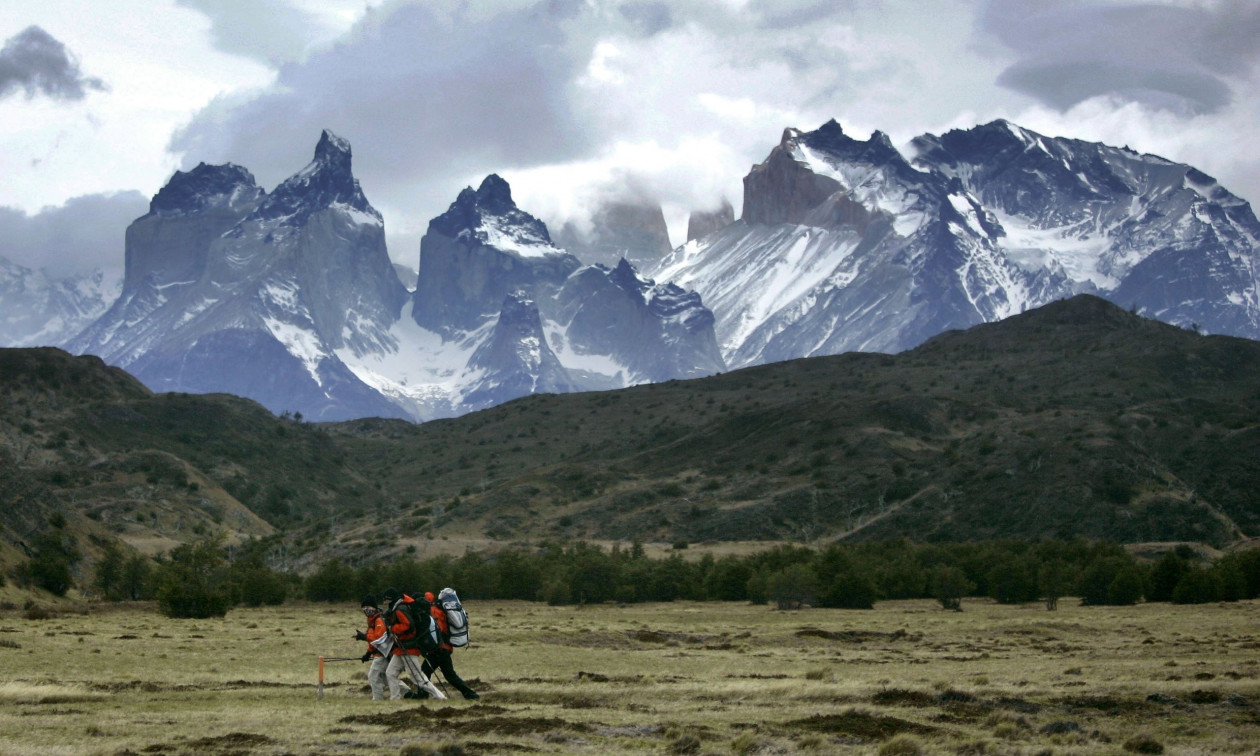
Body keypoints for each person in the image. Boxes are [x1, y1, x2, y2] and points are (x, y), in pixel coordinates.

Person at [381, 587, 444, 700]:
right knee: (390, 673)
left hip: (408, 647)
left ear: (390, 600)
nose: (384, 603)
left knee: (417, 677)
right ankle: (395, 698)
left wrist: (393, 627)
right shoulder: (400, 607)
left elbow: (408, 625)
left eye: (385, 600)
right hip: (402, 648)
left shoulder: (400, 609)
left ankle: (439, 697)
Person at [422, 590, 479, 699]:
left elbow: (439, 630)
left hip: (439, 649)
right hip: (444, 648)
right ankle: (470, 694)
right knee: (448, 675)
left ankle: (423, 695)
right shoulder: (437, 609)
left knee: (425, 672)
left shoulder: (433, 611)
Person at [353, 595, 389, 700]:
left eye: (368, 607)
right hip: (380, 652)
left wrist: (364, 637)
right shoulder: (372, 620)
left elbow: (379, 639)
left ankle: (377, 699)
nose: (366, 610)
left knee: (373, 676)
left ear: (374, 607)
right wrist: (368, 653)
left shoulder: (379, 620)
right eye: (364, 608)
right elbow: (373, 642)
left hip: (382, 653)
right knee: (387, 678)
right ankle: (407, 693)